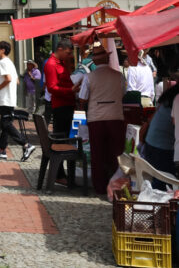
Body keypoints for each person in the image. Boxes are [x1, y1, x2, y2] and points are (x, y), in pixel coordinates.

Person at [77, 43, 126, 194]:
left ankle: (100, 187)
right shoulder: (119, 75)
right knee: (117, 152)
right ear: (107, 58)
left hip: (96, 118)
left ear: (95, 61)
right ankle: (118, 185)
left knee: (97, 153)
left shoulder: (89, 77)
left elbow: (82, 98)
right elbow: (123, 93)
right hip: (116, 117)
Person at [0, 41, 35, 162]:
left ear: (2, 50)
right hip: (10, 98)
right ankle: (2, 150)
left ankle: (26, 145)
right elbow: (17, 81)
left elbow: (9, 79)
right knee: (4, 124)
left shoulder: (2, 62)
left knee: (6, 124)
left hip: (5, 98)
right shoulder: (10, 62)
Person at [140, 79, 179, 190]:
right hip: (162, 148)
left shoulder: (169, 99)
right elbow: (174, 123)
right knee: (164, 185)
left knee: (160, 183)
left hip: (151, 143)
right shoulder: (175, 100)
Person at [43, 39, 76, 139]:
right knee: (62, 137)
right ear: (60, 49)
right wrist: (71, 90)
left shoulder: (61, 62)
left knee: (65, 135)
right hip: (61, 106)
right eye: (68, 53)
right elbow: (52, 88)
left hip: (67, 104)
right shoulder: (52, 64)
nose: (69, 55)